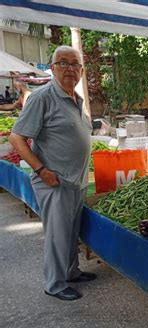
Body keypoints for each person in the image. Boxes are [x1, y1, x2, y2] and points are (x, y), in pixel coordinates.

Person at [9, 45, 95, 301]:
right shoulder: (42, 97)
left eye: (74, 64)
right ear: (52, 67)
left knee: (71, 231)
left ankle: (71, 271)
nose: (70, 69)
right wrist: (41, 169)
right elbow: (16, 138)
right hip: (54, 180)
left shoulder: (76, 99)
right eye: (63, 63)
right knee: (58, 234)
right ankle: (55, 284)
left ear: (81, 70)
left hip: (75, 180)